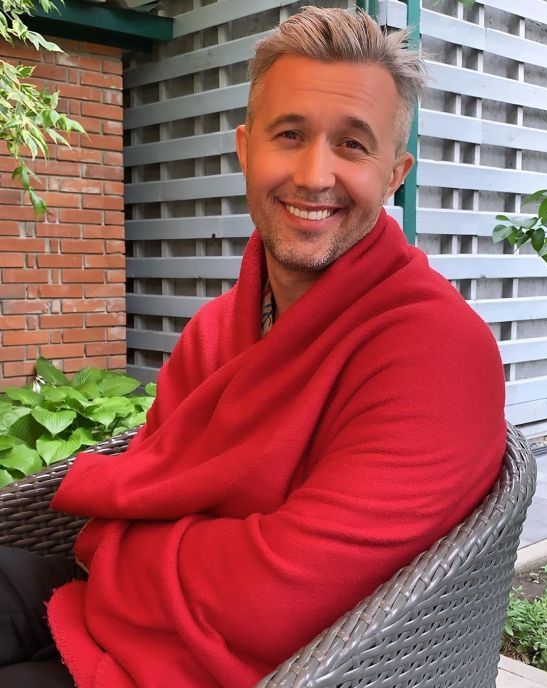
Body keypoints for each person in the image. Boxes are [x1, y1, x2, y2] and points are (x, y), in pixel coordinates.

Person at [0, 7, 506, 687]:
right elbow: (149, 488)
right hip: (127, 613)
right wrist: (134, 544)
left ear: (395, 173)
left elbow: (274, 602)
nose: (315, 175)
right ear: (245, 149)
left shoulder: (438, 354)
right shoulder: (216, 328)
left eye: (353, 145)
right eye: (289, 134)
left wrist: (116, 549)